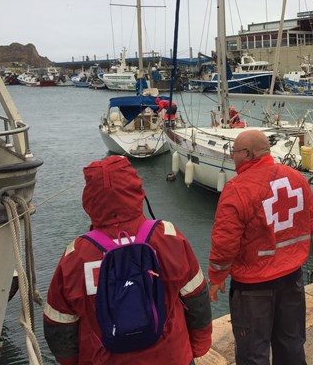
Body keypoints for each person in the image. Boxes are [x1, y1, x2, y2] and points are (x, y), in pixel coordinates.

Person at [43, 156, 212, 364]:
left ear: (89, 198)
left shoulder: (76, 255)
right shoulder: (168, 237)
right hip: (172, 356)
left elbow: (59, 323)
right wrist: (199, 344)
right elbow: (197, 298)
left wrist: (71, 361)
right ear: (137, 190)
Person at [208, 130, 313, 365]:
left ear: (247, 154)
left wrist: (217, 277)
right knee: (292, 345)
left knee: (252, 354)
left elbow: (224, 241)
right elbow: (311, 223)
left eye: (234, 152)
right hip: (292, 280)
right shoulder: (296, 178)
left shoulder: (237, 188)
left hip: (253, 288)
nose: (232, 157)